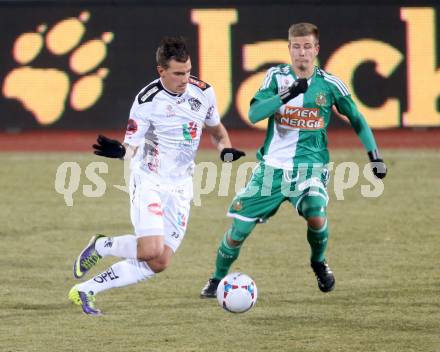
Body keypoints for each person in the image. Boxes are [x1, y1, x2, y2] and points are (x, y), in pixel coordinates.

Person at [200, 22, 387, 297]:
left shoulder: (330, 84)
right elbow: (253, 115)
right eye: (296, 47)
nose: (302, 53)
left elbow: (357, 118)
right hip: (272, 169)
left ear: (316, 50)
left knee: (315, 211)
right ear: (289, 49)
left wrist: (375, 156)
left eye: (307, 47)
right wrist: (289, 94)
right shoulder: (275, 77)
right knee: (239, 230)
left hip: (310, 167)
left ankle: (318, 262)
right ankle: (216, 279)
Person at [68, 37, 245, 316]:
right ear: (161, 71)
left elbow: (218, 132)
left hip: (182, 185)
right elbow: (132, 148)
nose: (185, 78)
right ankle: (103, 246)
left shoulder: (203, 92)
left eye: (188, 71)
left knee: (160, 261)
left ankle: (87, 286)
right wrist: (120, 152)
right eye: (177, 73)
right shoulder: (146, 101)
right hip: (149, 180)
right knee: (150, 249)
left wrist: (225, 151)